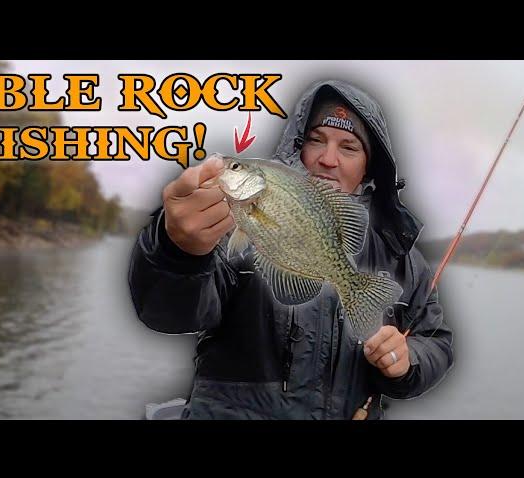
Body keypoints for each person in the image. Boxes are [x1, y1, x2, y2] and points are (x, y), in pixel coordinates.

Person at [128, 80, 454, 419]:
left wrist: (407, 360)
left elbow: (436, 341)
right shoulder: (225, 230)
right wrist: (178, 251)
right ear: (298, 145)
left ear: (369, 166)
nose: (328, 159)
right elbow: (167, 313)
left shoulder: (401, 258)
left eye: (349, 147)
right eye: (316, 140)